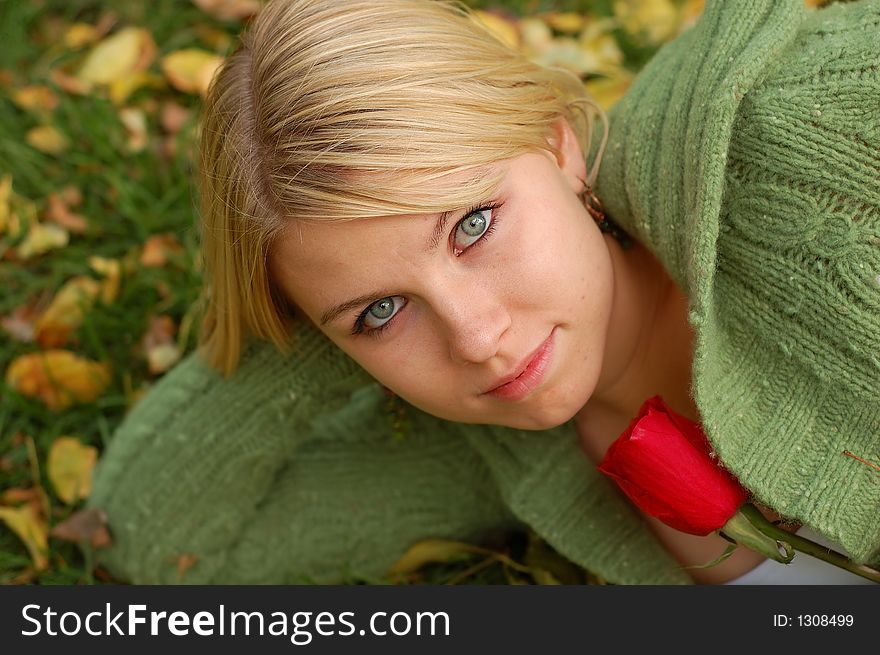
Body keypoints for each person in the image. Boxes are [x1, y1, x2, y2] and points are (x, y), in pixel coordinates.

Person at [87, 0, 880, 584]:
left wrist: (370, 303)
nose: (475, 337)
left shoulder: (804, 136)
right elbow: (157, 541)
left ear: (556, 142)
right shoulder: (493, 438)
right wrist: (309, 323)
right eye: (382, 312)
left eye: (472, 225)